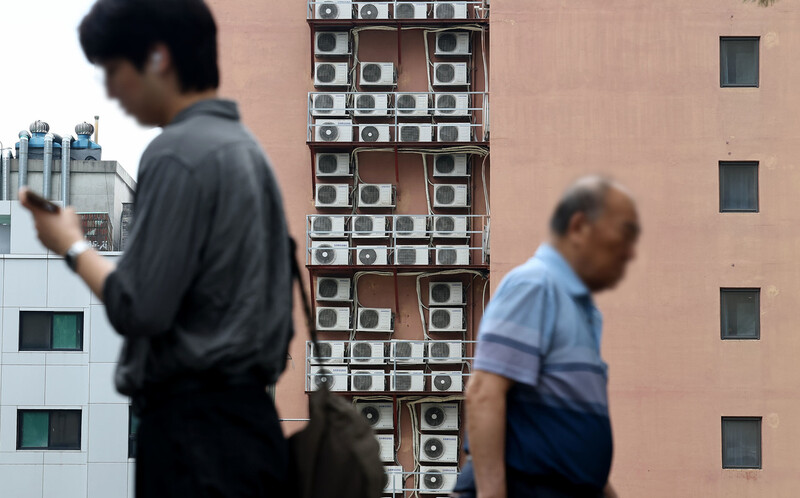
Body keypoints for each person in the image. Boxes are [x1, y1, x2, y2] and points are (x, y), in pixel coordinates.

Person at [19, 0, 293, 496]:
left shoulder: (178, 153)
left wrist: (71, 244)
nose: (110, 90)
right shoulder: (248, 153)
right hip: (252, 428)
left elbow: (140, 307)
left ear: (157, 59)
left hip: (194, 438)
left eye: (114, 70)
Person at [454, 176, 640, 498]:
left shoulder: (583, 309)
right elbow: (484, 392)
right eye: (624, 234)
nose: (629, 253)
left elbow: (567, 439)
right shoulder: (536, 285)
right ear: (579, 227)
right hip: (523, 487)